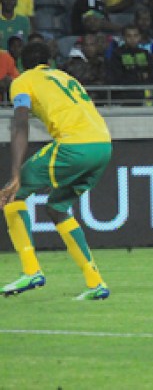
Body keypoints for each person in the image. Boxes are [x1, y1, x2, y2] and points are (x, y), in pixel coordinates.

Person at [0, 41, 111, 300]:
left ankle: (31, 271)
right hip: (104, 145)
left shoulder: (23, 81)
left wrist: (16, 174)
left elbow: (20, 123)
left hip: (75, 145)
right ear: (48, 62)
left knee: (11, 196)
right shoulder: (63, 76)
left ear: (20, 64)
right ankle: (95, 282)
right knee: (57, 208)